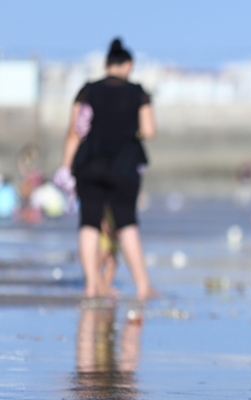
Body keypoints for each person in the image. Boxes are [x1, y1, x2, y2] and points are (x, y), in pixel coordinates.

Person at [56, 38, 155, 299]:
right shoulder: (138, 93)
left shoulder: (88, 90)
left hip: (89, 163)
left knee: (89, 223)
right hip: (123, 166)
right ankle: (143, 287)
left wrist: (66, 166)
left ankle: (90, 285)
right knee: (126, 223)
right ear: (129, 65)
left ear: (106, 64)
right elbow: (148, 130)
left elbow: (74, 131)